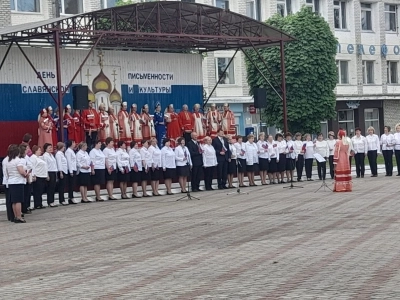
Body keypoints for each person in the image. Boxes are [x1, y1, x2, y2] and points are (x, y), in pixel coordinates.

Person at [6, 144, 28, 223]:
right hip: (18, 182)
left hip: (11, 181)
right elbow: (21, 171)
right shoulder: (18, 160)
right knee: (18, 200)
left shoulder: (8, 161)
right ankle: (19, 217)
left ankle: (15, 216)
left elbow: (7, 173)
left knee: (14, 201)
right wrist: (26, 174)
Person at [43, 143, 58, 207]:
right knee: (50, 187)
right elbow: (45, 166)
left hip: (53, 171)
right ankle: (50, 201)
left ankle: (52, 201)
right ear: (45, 149)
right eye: (49, 148)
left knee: (53, 187)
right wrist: (47, 175)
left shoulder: (51, 155)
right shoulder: (45, 156)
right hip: (49, 172)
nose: (50, 149)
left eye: (51, 148)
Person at [19, 144, 32, 215]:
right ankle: (23, 208)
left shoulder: (26, 157)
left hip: (27, 176)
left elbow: (30, 166)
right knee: (25, 194)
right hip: (24, 177)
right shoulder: (21, 159)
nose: (28, 150)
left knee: (28, 193)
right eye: (26, 149)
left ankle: (26, 206)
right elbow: (24, 168)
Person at [65, 140, 78, 204]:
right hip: (71, 169)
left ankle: (71, 197)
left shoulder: (72, 151)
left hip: (74, 168)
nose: (75, 144)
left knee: (73, 184)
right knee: (71, 184)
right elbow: (69, 162)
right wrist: (71, 171)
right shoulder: (68, 151)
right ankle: (70, 197)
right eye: (74, 142)